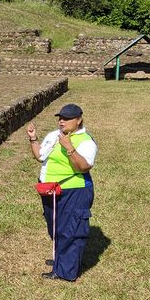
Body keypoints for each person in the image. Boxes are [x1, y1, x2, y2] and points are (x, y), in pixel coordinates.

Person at [26, 103, 98, 281]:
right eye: (60, 118)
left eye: (66, 118)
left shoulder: (86, 141)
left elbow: (83, 167)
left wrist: (69, 148)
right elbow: (40, 156)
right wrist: (33, 139)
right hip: (50, 190)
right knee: (56, 227)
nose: (61, 121)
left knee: (71, 229)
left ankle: (65, 271)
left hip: (74, 190)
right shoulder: (53, 135)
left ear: (79, 120)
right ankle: (62, 259)